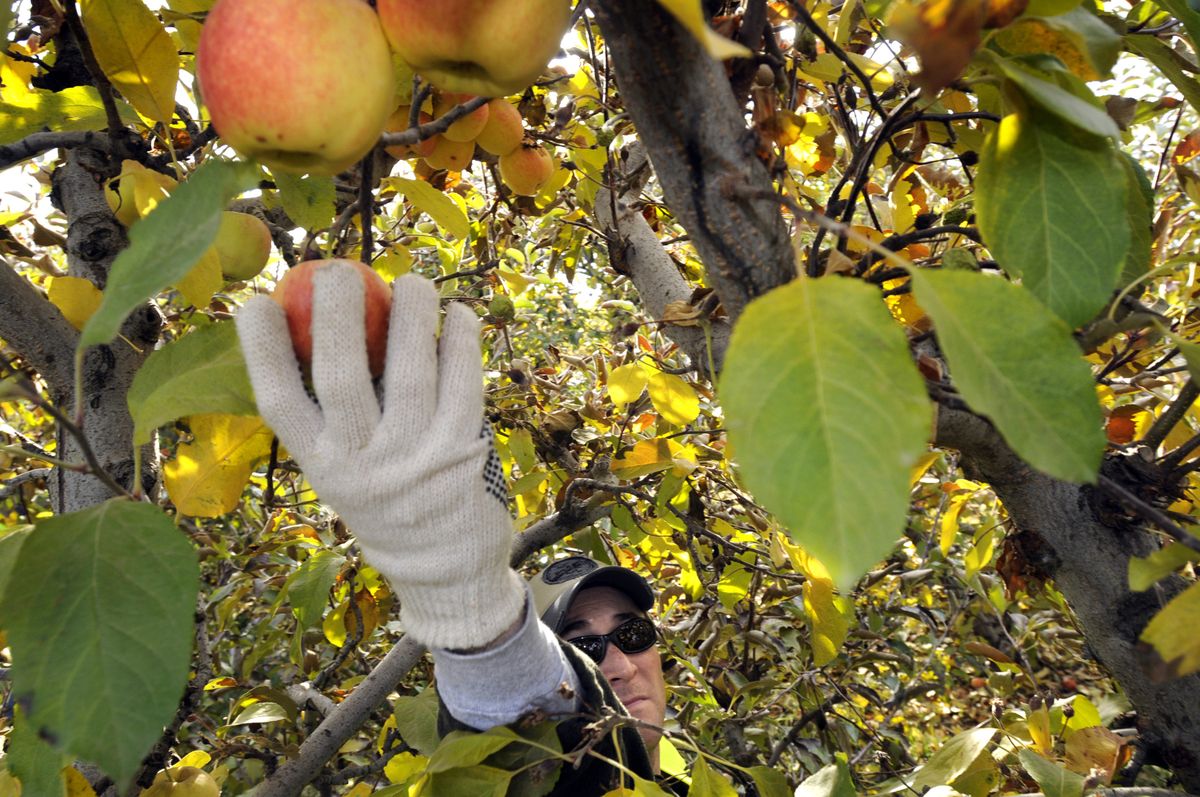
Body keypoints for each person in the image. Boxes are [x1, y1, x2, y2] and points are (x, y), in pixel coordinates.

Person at [236, 266, 674, 794]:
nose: (621, 664)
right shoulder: (537, 771)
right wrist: (472, 610)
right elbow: (526, 728)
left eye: (632, 633)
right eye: (584, 648)